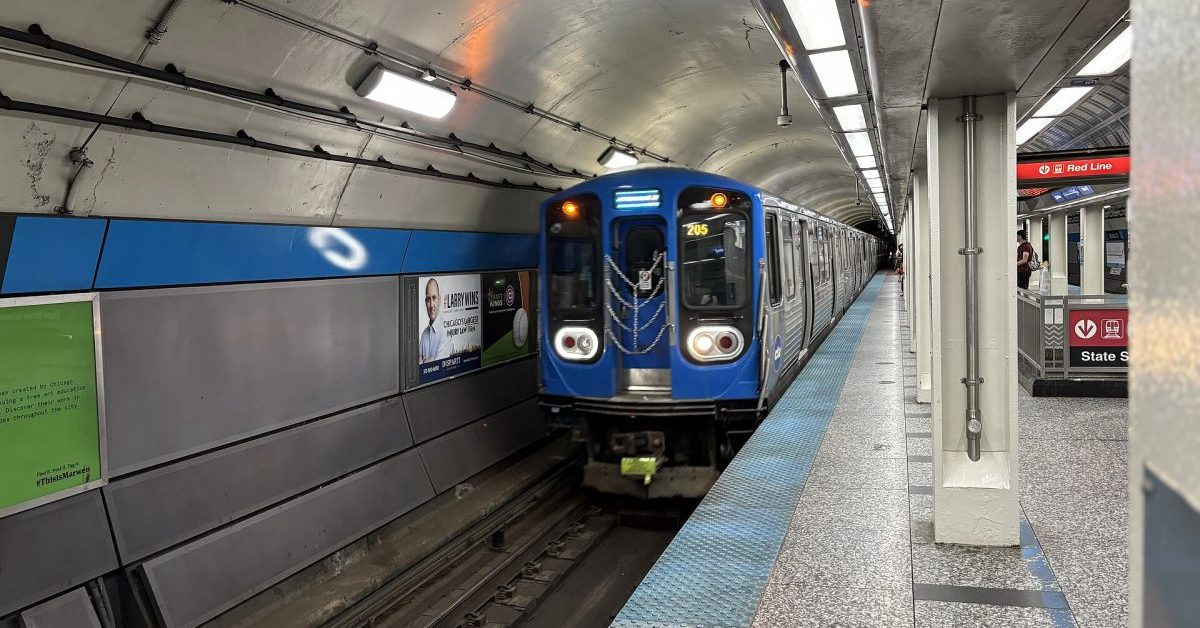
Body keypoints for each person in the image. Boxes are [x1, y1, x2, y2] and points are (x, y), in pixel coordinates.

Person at [419, 278, 448, 362]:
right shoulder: (424, 335)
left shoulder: (446, 330)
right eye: (428, 299)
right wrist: (430, 360)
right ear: (425, 302)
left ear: (439, 300)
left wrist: (425, 361)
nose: (432, 305)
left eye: (434, 298)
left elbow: (439, 365)